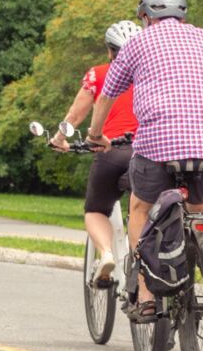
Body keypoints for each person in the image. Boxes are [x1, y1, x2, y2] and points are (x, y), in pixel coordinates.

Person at [90, 0, 203, 323]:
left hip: (158, 146)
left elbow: (107, 95)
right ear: (182, 15)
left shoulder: (137, 43)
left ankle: (146, 295)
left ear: (145, 17)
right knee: (201, 208)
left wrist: (96, 135)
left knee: (140, 208)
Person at [49, 20, 144, 285]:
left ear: (110, 50)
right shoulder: (152, 74)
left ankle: (106, 254)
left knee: (95, 209)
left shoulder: (99, 74)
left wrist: (59, 139)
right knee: (146, 207)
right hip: (148, 151)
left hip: (111, 150)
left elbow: (75, 115)